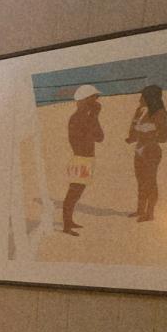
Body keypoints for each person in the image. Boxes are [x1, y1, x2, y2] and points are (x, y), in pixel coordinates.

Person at [61, 84, 105, 236]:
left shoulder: (81, 116)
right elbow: (99, 137)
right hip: (81, 159)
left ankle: (68, 222)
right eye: (94, 97)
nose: (97, 100)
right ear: (86, 100)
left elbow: (99, 137)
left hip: (83, 159)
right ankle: (66, 225)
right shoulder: (80, 118)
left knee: (75, 193)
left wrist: (93, 116)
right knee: (73, 193)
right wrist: (94, 116)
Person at [125, 84, 167, 222]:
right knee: (140, 181)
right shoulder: (140, 111)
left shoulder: (159, 113)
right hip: (139, 149)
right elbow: (132, 131)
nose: (140, 99)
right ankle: (140, 210)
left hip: (151, 151)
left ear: (150, 98)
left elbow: (164, 137)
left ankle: (149, 213)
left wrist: (147, 132)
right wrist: (133, 136)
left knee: (150, 182)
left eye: (142, 96)